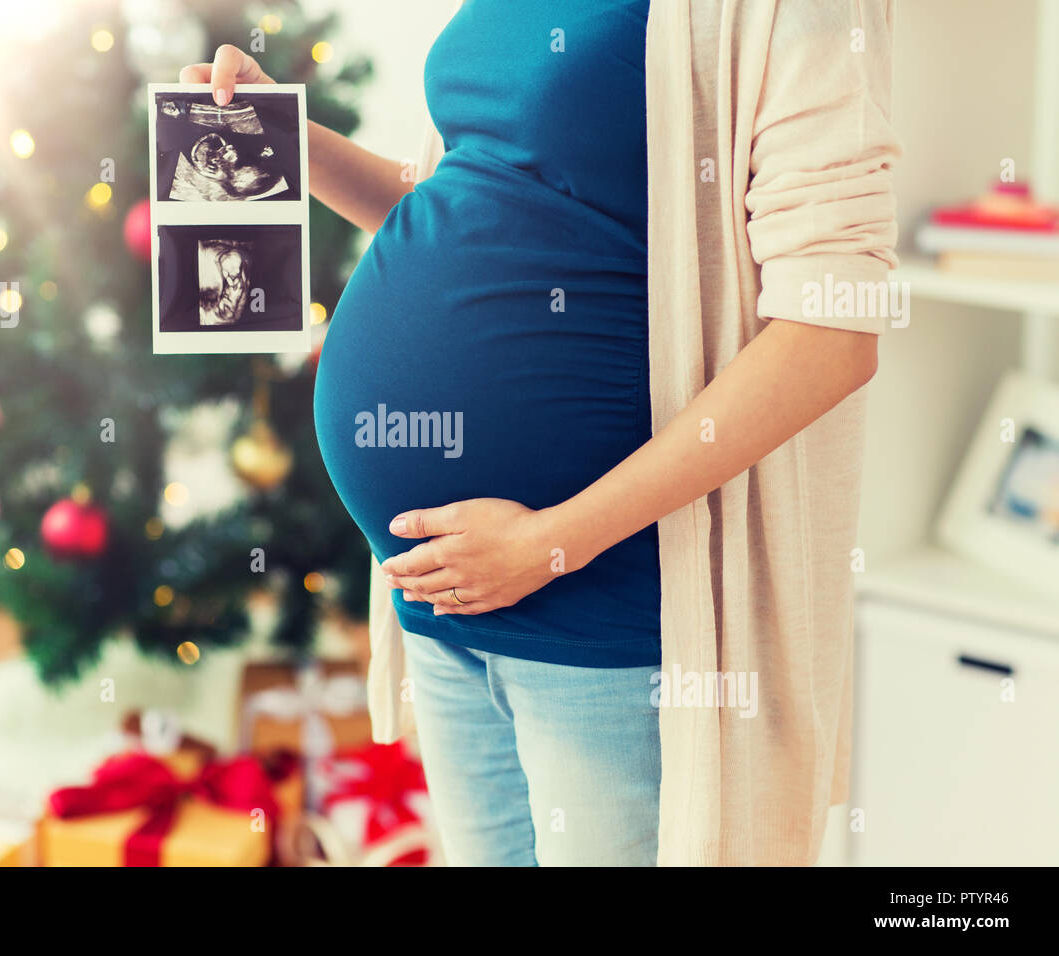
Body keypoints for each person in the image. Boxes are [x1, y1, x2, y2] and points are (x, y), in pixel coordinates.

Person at [181, 0, 899, 866]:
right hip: (441, 597)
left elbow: (833, 330)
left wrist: (553, 543)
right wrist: (290, 138)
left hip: (610, 611)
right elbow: (476, 200)